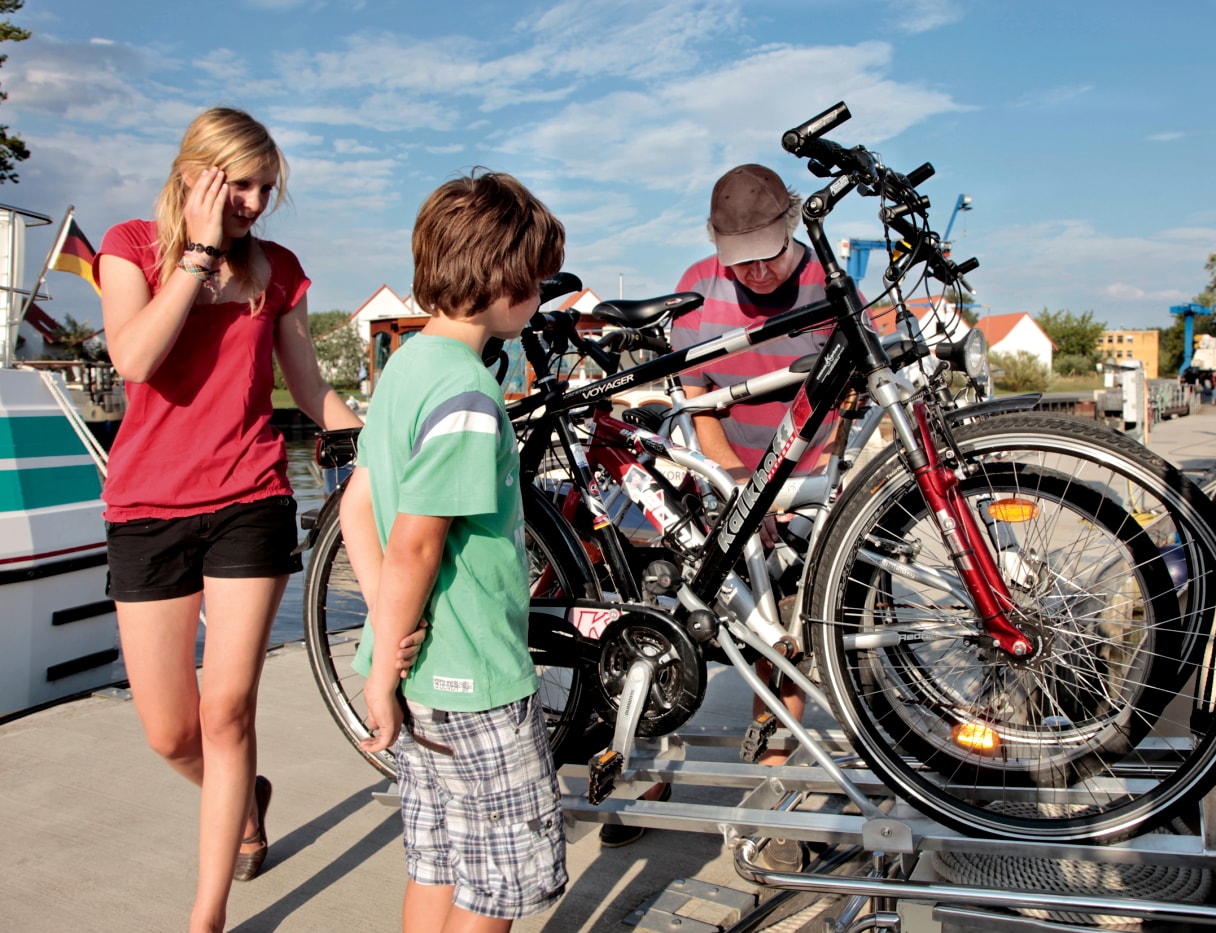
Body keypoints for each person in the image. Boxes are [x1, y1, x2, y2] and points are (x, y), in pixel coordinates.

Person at [95, 108, 382, 933]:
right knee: (169, 731)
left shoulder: (277, 270)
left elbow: (309, 389)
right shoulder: (129, 247)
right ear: (197, 175)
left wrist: (383, 429)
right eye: (241, 183)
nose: (256, 200)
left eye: (266, 186)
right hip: (147, 507)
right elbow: (136, 360)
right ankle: (246, 799)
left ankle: (207, 915)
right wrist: (195, 254)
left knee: (226, 713)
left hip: (249, 499)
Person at [343, 169, 568, 932]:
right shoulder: (470, 398)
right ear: (505, 280)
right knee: (500, 878)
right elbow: (417, 542)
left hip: (419, 673)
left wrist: (386, 641)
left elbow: (357, 504)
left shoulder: (404, 366)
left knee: (438, 857)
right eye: (536, 278)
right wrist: (381, 674)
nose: (540, 293)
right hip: (476, 676)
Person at [598, 164, 837, 849]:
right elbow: (696, 398)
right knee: (678, 606)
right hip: (721, 464)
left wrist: (792, 488)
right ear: (715, 240)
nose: (757, 274)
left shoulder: (823, 283)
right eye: (742, 260)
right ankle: (651, 769)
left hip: (803, 464)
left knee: (781, 629)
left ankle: (774, 779)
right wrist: (736, 484)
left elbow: (838, 404)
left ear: (791, 224)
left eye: (766, 257)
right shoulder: (697, 286)